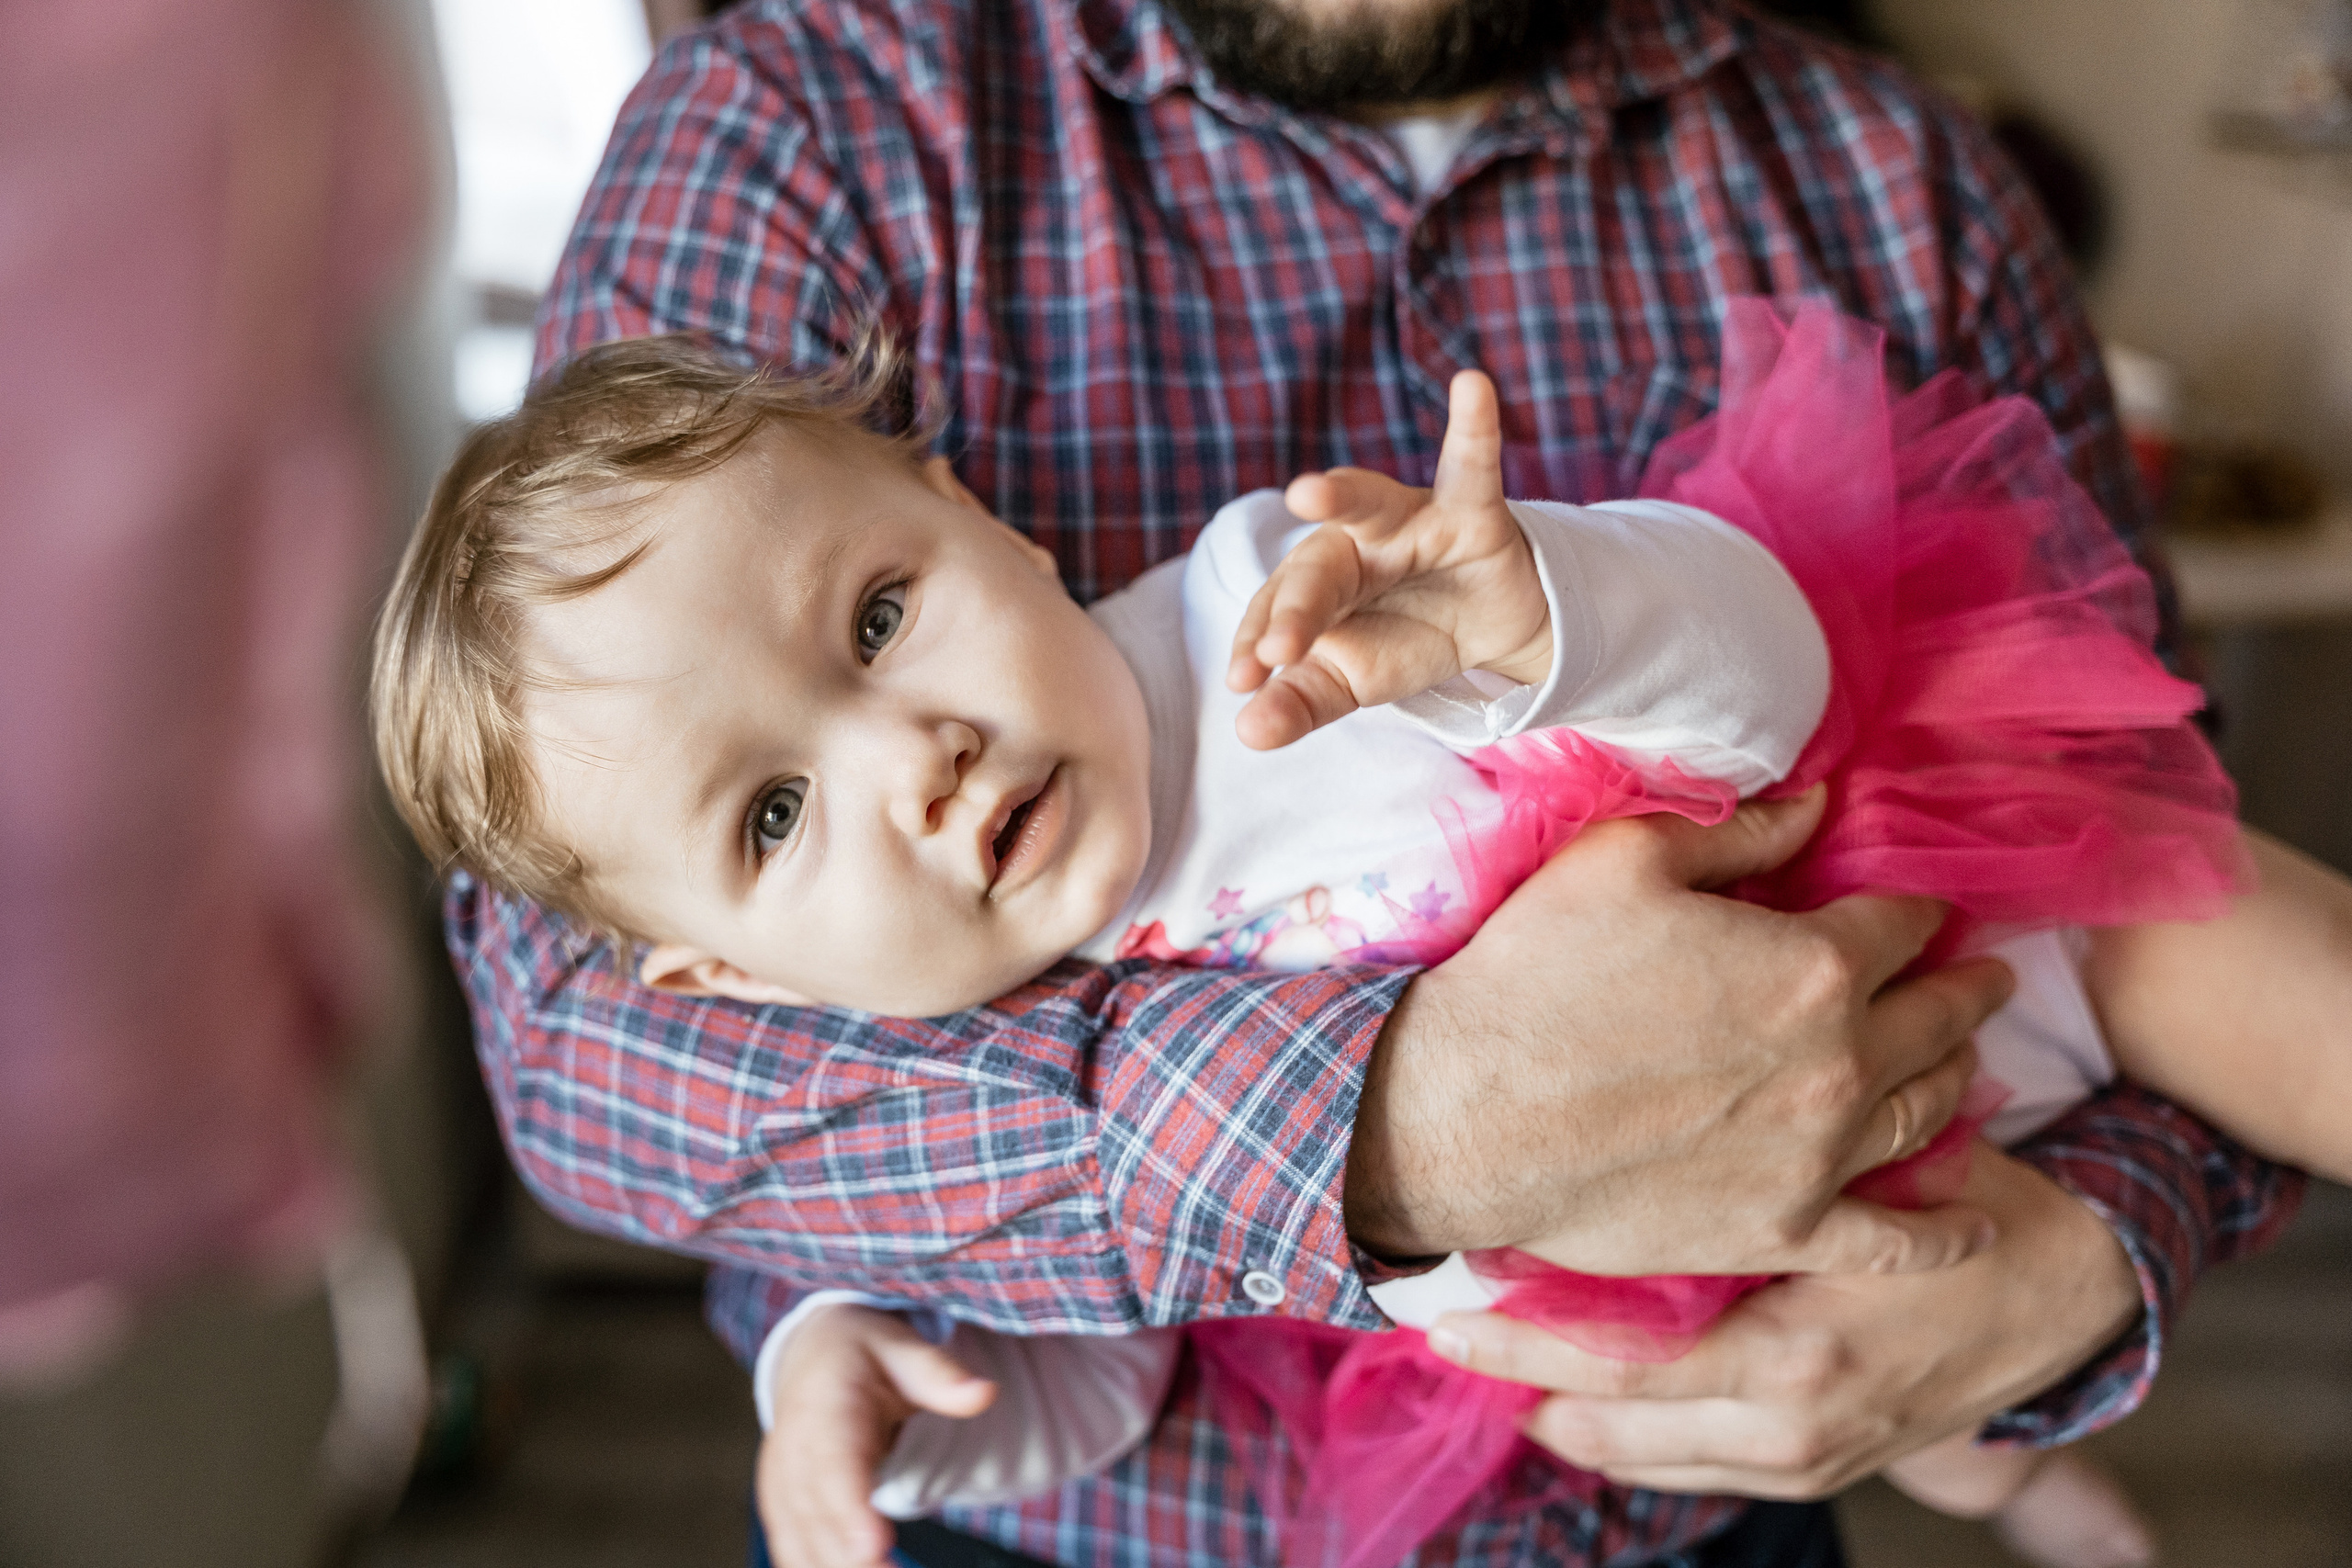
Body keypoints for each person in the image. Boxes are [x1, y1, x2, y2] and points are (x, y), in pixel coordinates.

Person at [449, 2, 2305, 1564]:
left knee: (2194, 952)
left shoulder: (1276, 618)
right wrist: (889, 1389)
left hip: (1790, 1295)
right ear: (735, 962)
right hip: (1266, 1488)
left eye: (879, 620)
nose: (908, 757)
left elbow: (2075, 774)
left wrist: (2085, 1262)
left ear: (977, 517)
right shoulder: (803, 123)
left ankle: (2016, 1463)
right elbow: (584, 1046)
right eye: (772, 811)